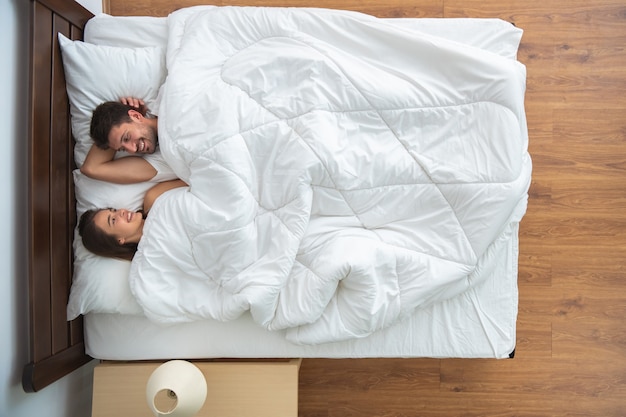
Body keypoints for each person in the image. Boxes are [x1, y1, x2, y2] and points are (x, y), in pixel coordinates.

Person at [78, 178, 186, 261]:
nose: (121, 212)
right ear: (119, 240)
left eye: (114, 210)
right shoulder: (151, 257)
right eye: (113, 220)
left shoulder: (154, 198)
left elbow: (195, 182)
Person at [81, 97, 164, 184]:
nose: (133, 150)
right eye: (123, 149)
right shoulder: (158, 162)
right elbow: (92, 168)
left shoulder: (167, 99)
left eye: (126, 138)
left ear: (136, 116)